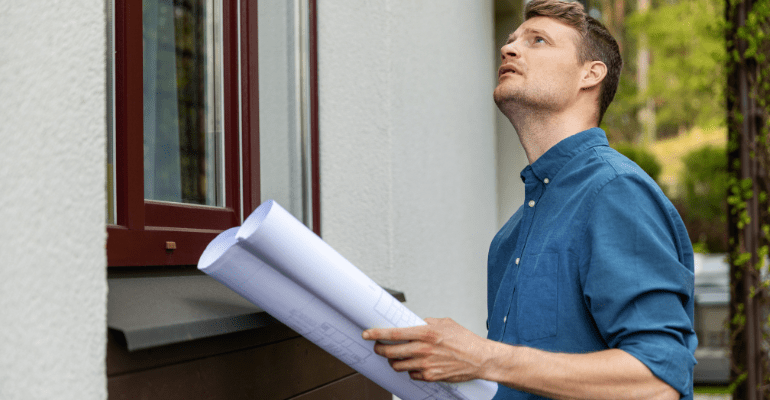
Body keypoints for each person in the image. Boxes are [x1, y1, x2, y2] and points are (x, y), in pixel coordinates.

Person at [361, 0, 698, 399]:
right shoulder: (509, 238)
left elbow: (658, 380)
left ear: (590, 74)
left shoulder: (614, 191)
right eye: (511, 40)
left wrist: (485, 358)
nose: (509, 49)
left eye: (538, 40)